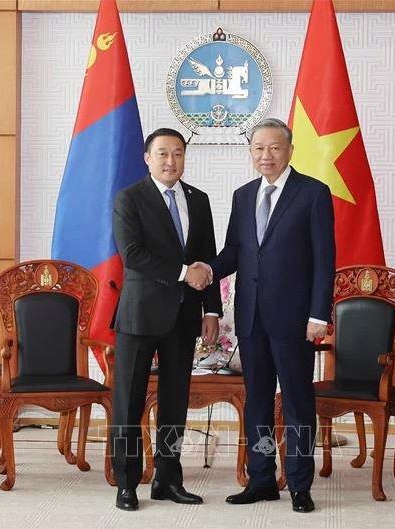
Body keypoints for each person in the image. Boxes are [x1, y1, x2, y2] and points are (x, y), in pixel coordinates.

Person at [196, 118, 335, 513]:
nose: (266, 156)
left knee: (297, 402)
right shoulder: (243, 196)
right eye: (259, 148)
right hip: (251, 318)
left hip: (295, 319)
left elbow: (325, 261)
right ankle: (260, 479)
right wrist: (206, 270)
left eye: (274, 148)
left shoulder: (312, 193)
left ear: (290, 150)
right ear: (250, 152)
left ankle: (299, 484)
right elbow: (234, 253)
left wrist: (318, 315)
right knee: (256, 401)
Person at [110, 128, 220, 511]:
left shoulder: (199, 200)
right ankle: (126, 483)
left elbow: (207, 259)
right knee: (128, 402)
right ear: (147, 158)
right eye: (163, 154)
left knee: (175, 402)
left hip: (184, 316)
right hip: (139, 315)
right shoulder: (129, 198)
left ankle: (168, 479)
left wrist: (212, 310)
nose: (171, 161)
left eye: (177, 153)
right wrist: (182, 272)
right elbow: (132, 255)